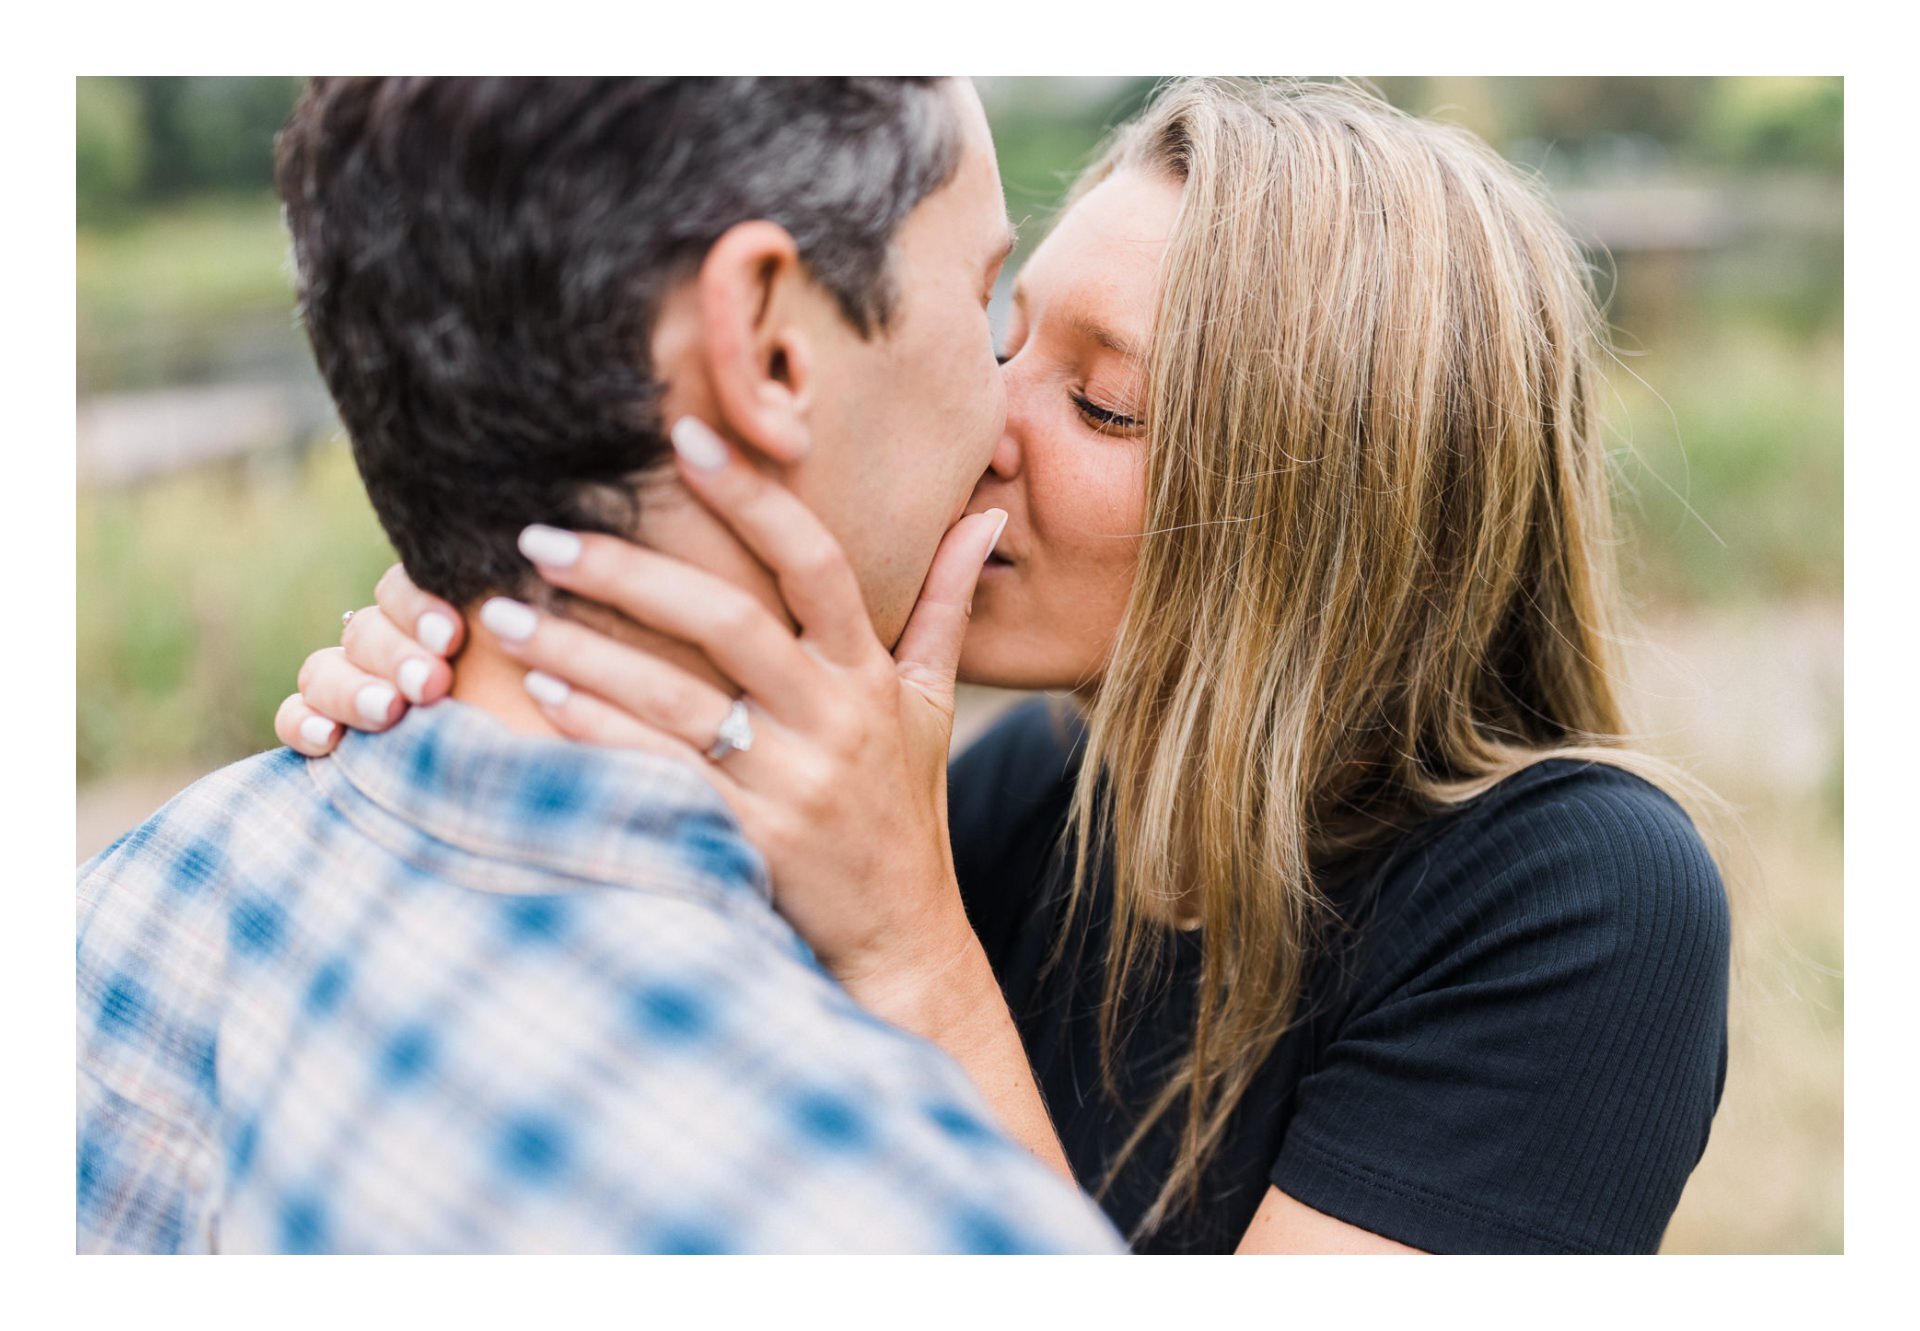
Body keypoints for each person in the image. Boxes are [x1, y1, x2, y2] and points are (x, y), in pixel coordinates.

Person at [286, 78, 1733, 1254]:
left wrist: (916, 949)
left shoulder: (1582, 901)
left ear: (1345, 510)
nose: (985, 424)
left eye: (1102, 403)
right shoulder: (1034, 785)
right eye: (1002, 335)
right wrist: (492, 663)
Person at [76, 76, 1125, 1255]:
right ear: (769, 348)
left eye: (1098, 401)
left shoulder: (131, 905)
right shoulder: (924, 1230)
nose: (1001, 422)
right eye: (982, 303)